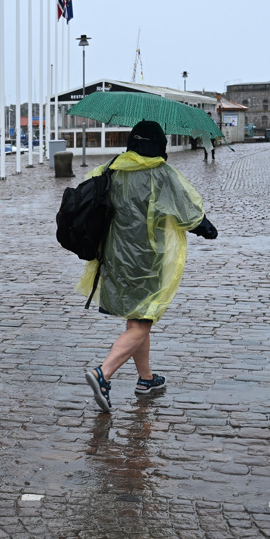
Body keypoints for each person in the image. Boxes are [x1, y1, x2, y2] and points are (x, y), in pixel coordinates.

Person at [81, 120, 217, 411]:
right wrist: (205, 227)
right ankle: (102, 374)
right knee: (143, 320)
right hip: (146, 259)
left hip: (114, 257)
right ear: (159, 144)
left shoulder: (113, 167)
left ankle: (146, 379)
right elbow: (187, 211)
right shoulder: (160, 172)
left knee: (137, 319)